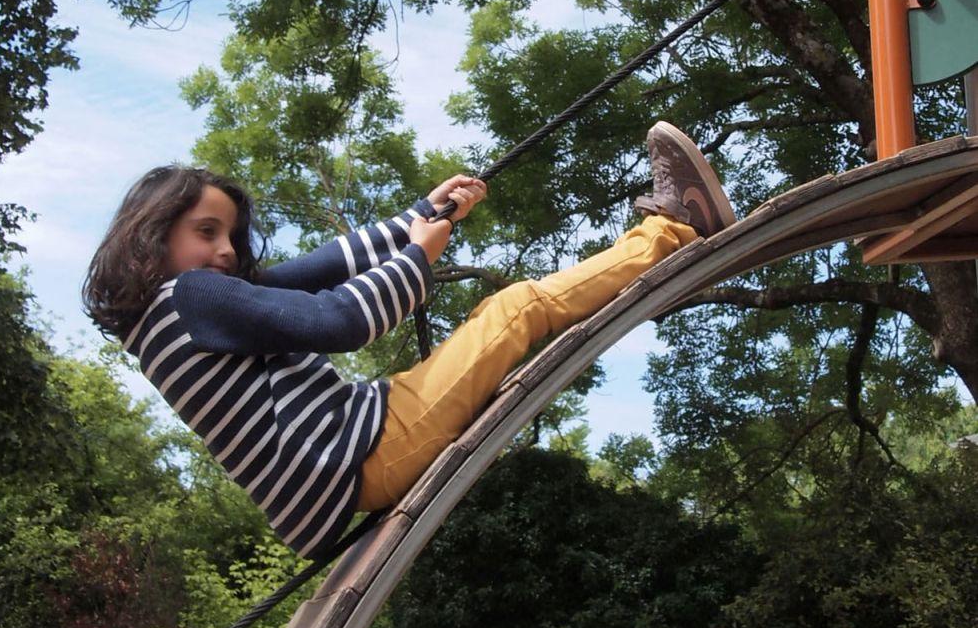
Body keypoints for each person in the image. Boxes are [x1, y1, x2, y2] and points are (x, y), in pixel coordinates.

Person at [84, 122, 734, 558]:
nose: (226, 250)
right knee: (515, 308)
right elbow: (342, 320)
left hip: (342, 472)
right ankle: (676, 232)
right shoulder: (195, 296)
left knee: (508, 312)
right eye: (207, 231)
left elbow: (315, 268)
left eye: (230, 235)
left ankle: (669, 234)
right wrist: (418, 256)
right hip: (360, 457)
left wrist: (417, 218)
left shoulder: (170, 319)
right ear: (153, 232)